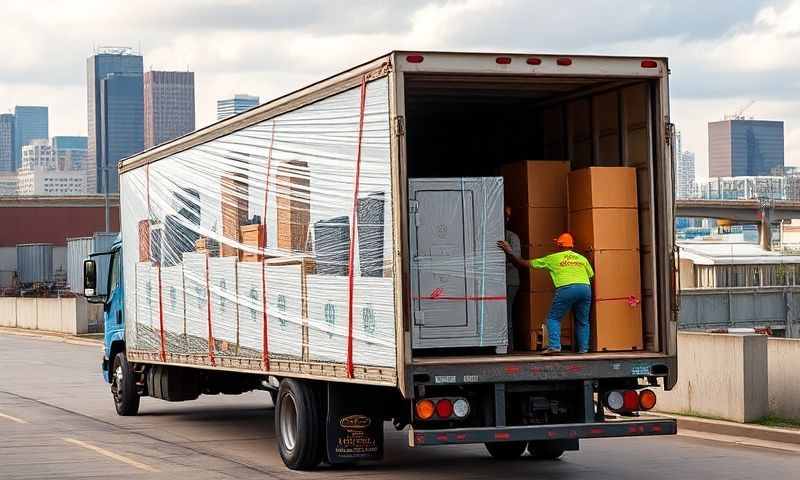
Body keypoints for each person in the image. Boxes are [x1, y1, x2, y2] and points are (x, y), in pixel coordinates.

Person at [497, 233, 594, 355]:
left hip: (566, 288)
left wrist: (510, 252)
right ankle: (584, 349)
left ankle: (554, 346)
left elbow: (524, 263)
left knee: (553, 318)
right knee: (583, 320)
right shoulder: (582, 258)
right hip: (585, 288)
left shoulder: (553, 258)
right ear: (572, 245)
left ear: (559, 245)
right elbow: (591, 275)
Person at [503, 207, 521, 351]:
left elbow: (518, 260)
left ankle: (508, 347)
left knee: (506, 314)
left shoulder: (511, 236)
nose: (506, 218)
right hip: (494, 282)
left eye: (507, 216)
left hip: (509, 281)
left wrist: (509, 251)